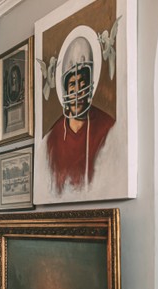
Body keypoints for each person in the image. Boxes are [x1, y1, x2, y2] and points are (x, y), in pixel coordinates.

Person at [44, 35, 115, 193]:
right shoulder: (52, 138)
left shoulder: (107, 128)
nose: (78, 91)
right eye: (72, 84)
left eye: (83, 82)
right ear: (65, 89)